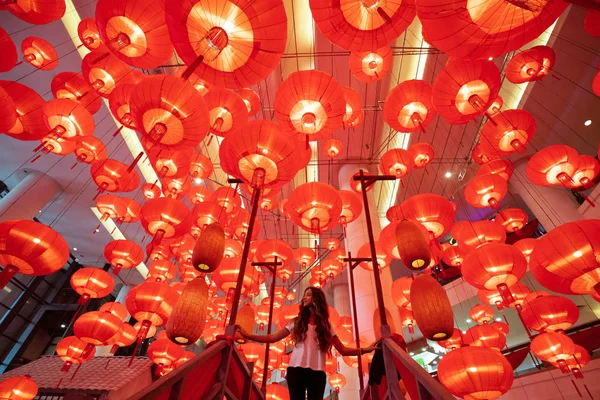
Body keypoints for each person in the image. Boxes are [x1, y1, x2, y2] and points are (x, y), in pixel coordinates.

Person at [236, 286, 378, 400]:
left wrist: (365, 350)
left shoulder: (326, 325)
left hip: (318, 372)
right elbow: (273, 338)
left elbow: (343, 350)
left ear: (316, 299)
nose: (304, 297)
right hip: (296, 370)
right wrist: (249, 335)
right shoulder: (296, 322)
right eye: (305, 294)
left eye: (308, 294)